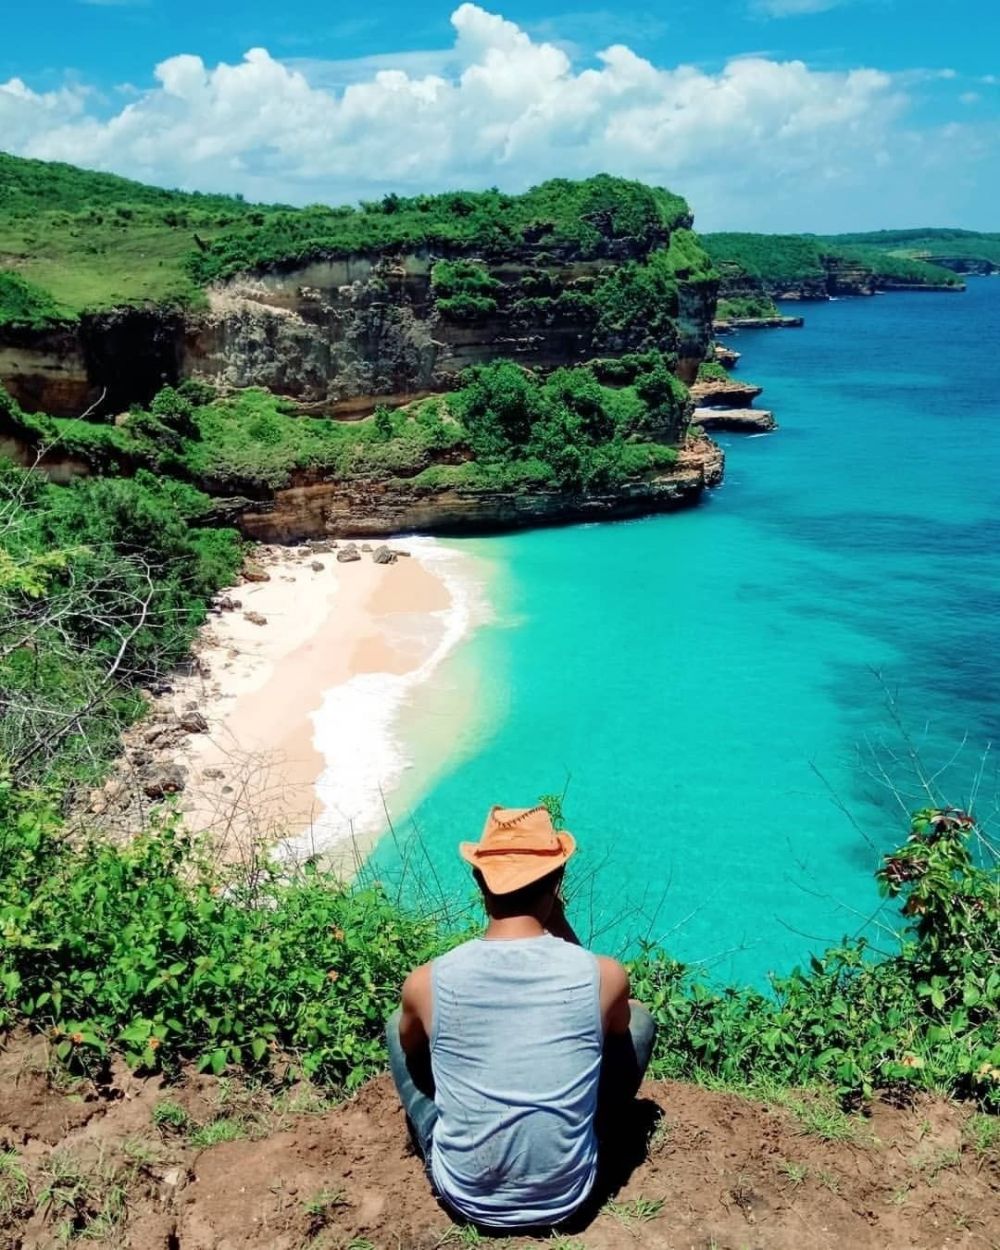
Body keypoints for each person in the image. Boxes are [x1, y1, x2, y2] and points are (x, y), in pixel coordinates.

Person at [386, 804, 656, 1230]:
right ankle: (590, 1130)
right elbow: (600, 1020)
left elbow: (413, 1051)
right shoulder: (604, 975)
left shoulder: (428, 980)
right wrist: (557, 917)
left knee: (398, 1024)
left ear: (479, 881)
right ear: (558, 881)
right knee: (637, 1021)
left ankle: (448, 1131)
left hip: (464, 1197)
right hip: (568, 1196)